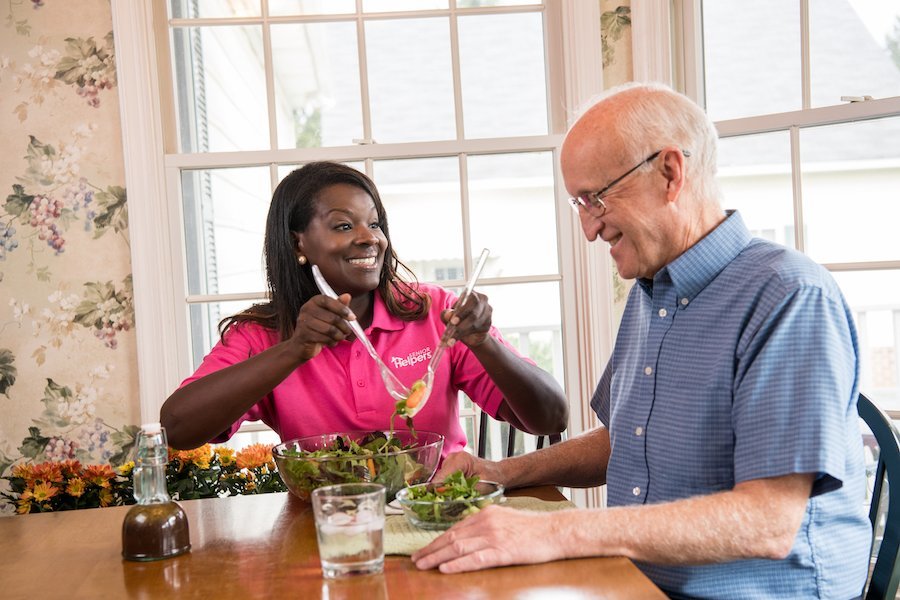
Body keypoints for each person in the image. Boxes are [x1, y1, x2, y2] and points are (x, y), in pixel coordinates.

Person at [411, 83, 871, 599]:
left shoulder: (790, 296)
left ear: (670, 173)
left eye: (595, 198)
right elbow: (629, 439)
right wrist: (498, 472)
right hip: (635, 582)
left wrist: (554, 532)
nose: (588, 229)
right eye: (577, 204)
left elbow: (768, 521)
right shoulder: (653, 291)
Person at [160, 161, 568, 457]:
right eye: (343, 225)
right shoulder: (263, 334)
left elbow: (551, 417)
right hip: (325, 529)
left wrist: (484, 344)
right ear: (298, 243)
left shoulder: (433, 311)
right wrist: (295, 348)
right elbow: (177, 428)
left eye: (374, 224)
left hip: (435, 514)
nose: (368, 239)